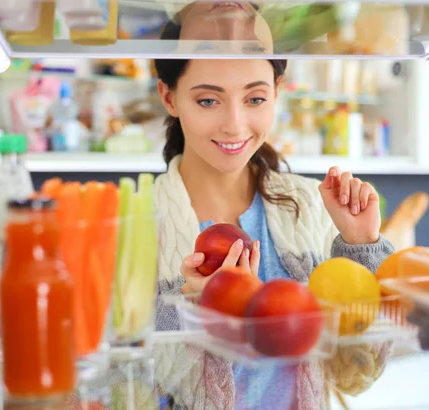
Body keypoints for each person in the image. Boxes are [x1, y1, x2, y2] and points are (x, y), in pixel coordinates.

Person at [152, 2, 395, 409]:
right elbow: (119, 384)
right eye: (208, 101)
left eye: (255, 99)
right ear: (170, 98)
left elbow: (357, 372)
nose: (234, 125)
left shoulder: (311, 205)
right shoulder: (135, 218)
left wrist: (360, 246)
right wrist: (194, 309)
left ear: (278, 93)